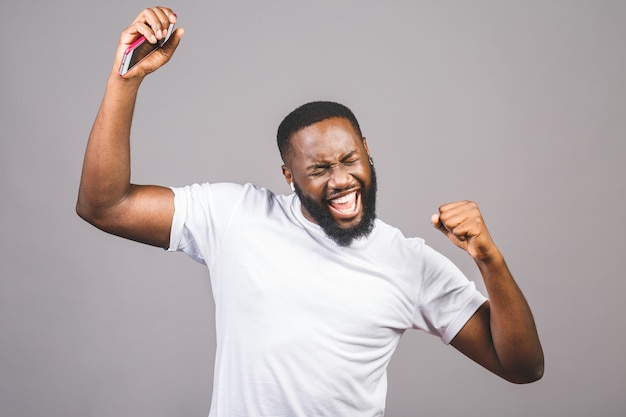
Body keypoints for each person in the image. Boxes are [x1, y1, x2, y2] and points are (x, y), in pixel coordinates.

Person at [77, 6, 544, 416]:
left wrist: (490, 260)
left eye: (349, 160)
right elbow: (105, 206)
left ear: (367, 153)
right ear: (288, 175)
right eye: (319, 169)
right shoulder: (234, 216)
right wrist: (127, 79)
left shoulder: (409, 263)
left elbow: (521, 367)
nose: (340, 180)